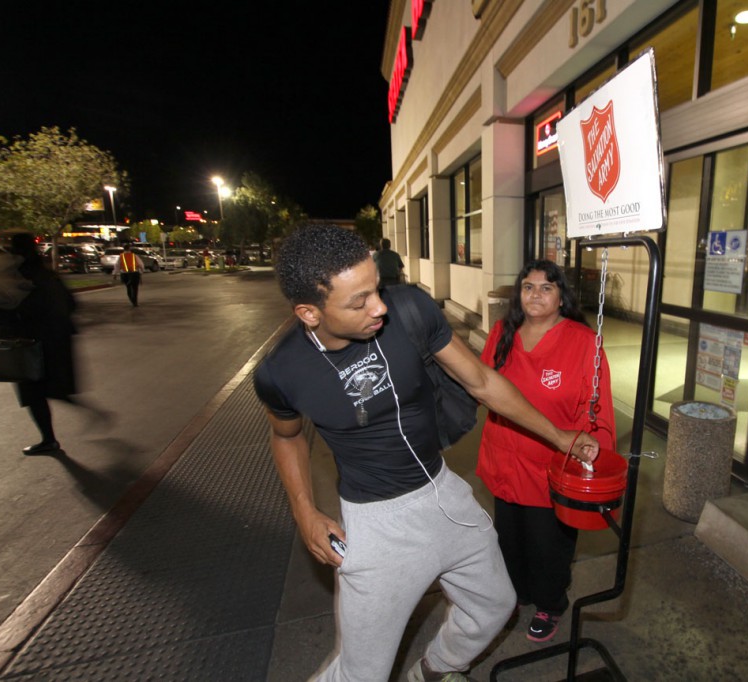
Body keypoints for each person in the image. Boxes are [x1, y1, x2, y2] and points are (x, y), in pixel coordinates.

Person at [252, 225, 599, 682]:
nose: (379, 307)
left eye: (375, 288)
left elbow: (481, 381)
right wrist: (305, 512)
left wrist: (560, 436)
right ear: (309, 313)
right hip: (376, 523)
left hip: (443, 492)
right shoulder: (281, 373)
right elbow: (286, 437)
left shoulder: (410, 309)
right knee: (362, 674)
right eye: (358, 302)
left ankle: (433, 672)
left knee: (495, 606)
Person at [476, 260, 616, 643]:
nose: (535, 294)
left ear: (561, 297)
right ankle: (516, 595)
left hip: (551, 466)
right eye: (528, 286)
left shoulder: (583, 341)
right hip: (506, 459)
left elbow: (597, 406)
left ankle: (550, 603)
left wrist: (595, 455)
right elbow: (482, 384)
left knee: (548, 544)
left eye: (546, 288)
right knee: (509, 537)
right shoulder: (503, 332)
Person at [0, 232, 110, 454]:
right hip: (57, 340)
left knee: (33, 392)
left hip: (28, 344)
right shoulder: (48, 274)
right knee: (52, 386)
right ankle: (86, 415)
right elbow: (72, 303)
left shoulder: (17, 278)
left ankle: (49, 439)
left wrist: (0, 316)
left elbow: (19, 312)